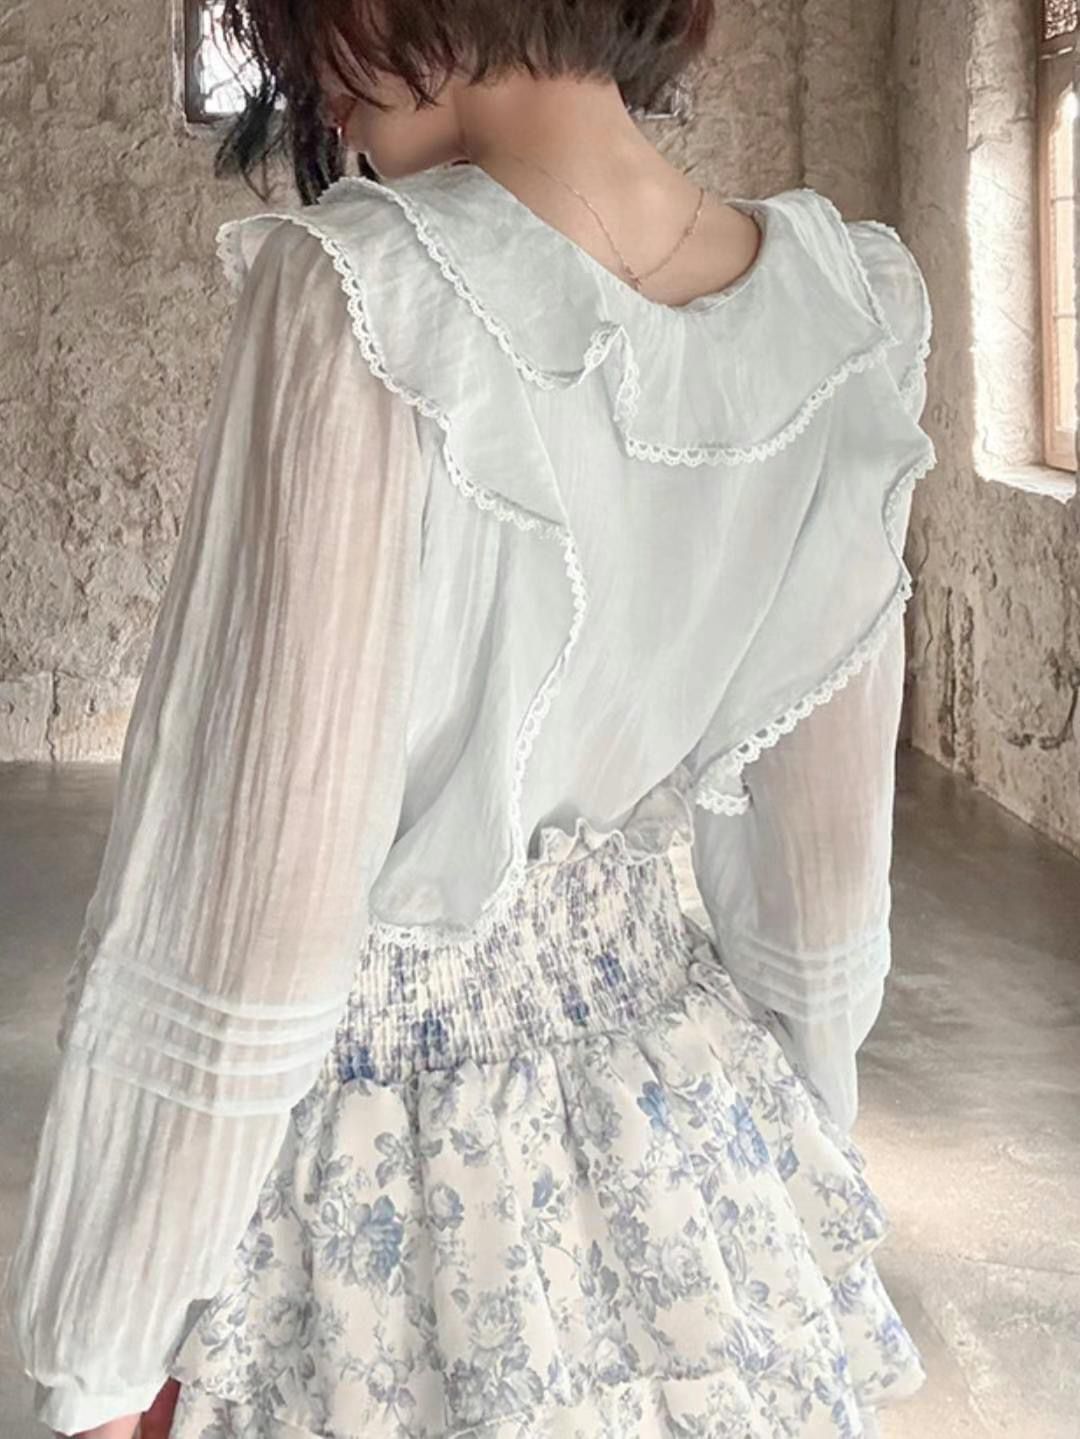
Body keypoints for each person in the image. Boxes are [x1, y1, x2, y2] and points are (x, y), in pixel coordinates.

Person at [3, 1, 938, 1435]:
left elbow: (251, 906)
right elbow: (820, 879)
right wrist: (785, 1146)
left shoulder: (363, 289)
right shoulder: (843, 305)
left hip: (372, 1160)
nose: (312, 82)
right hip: (680, 1132)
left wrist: (108, 1348)